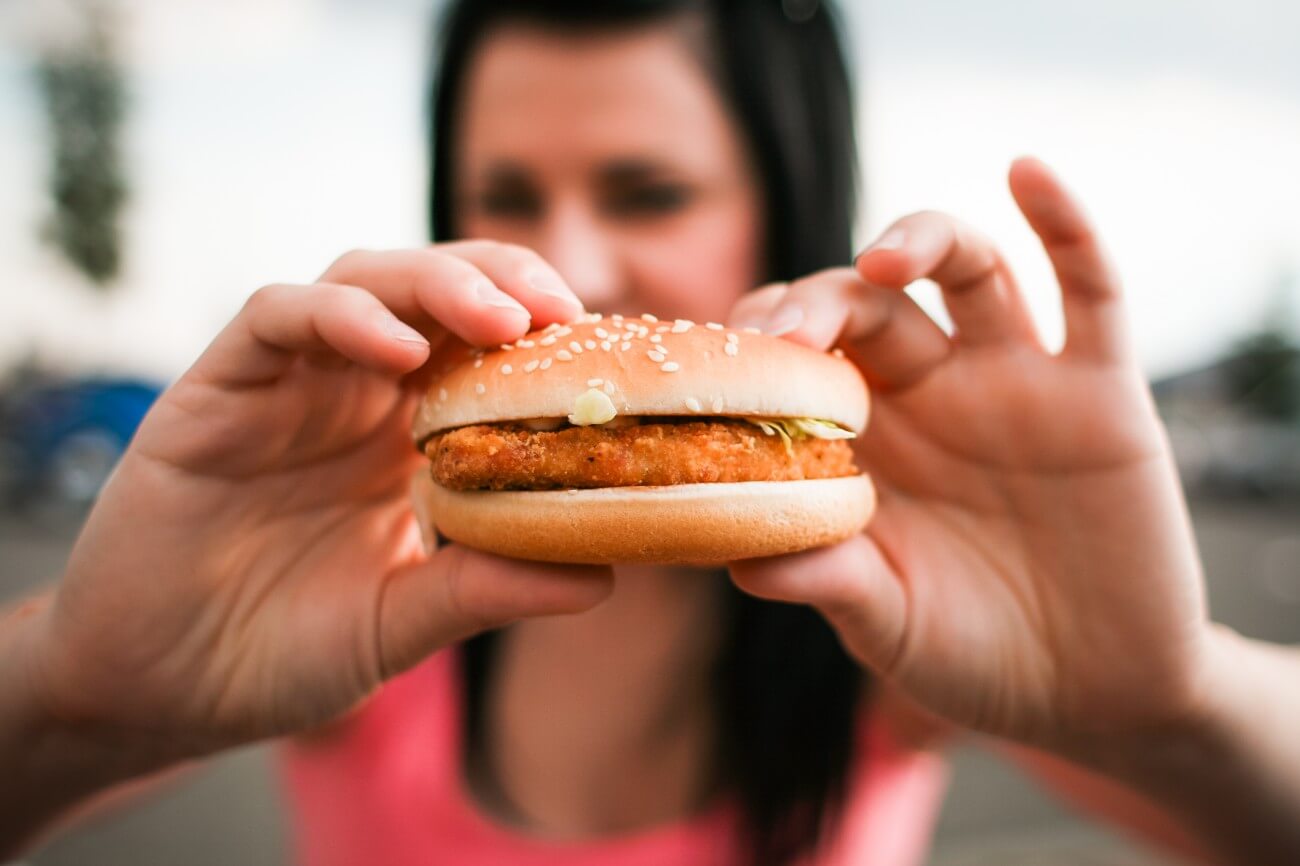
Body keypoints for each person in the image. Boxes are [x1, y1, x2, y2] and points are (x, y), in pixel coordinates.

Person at [2, 1, 1299, 864]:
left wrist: (1177, 700)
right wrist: (79, 695)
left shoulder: (907, 624)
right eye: (504, 192)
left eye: (651, 190)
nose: (567, 263)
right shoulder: (323, 579)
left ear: (786, 201)